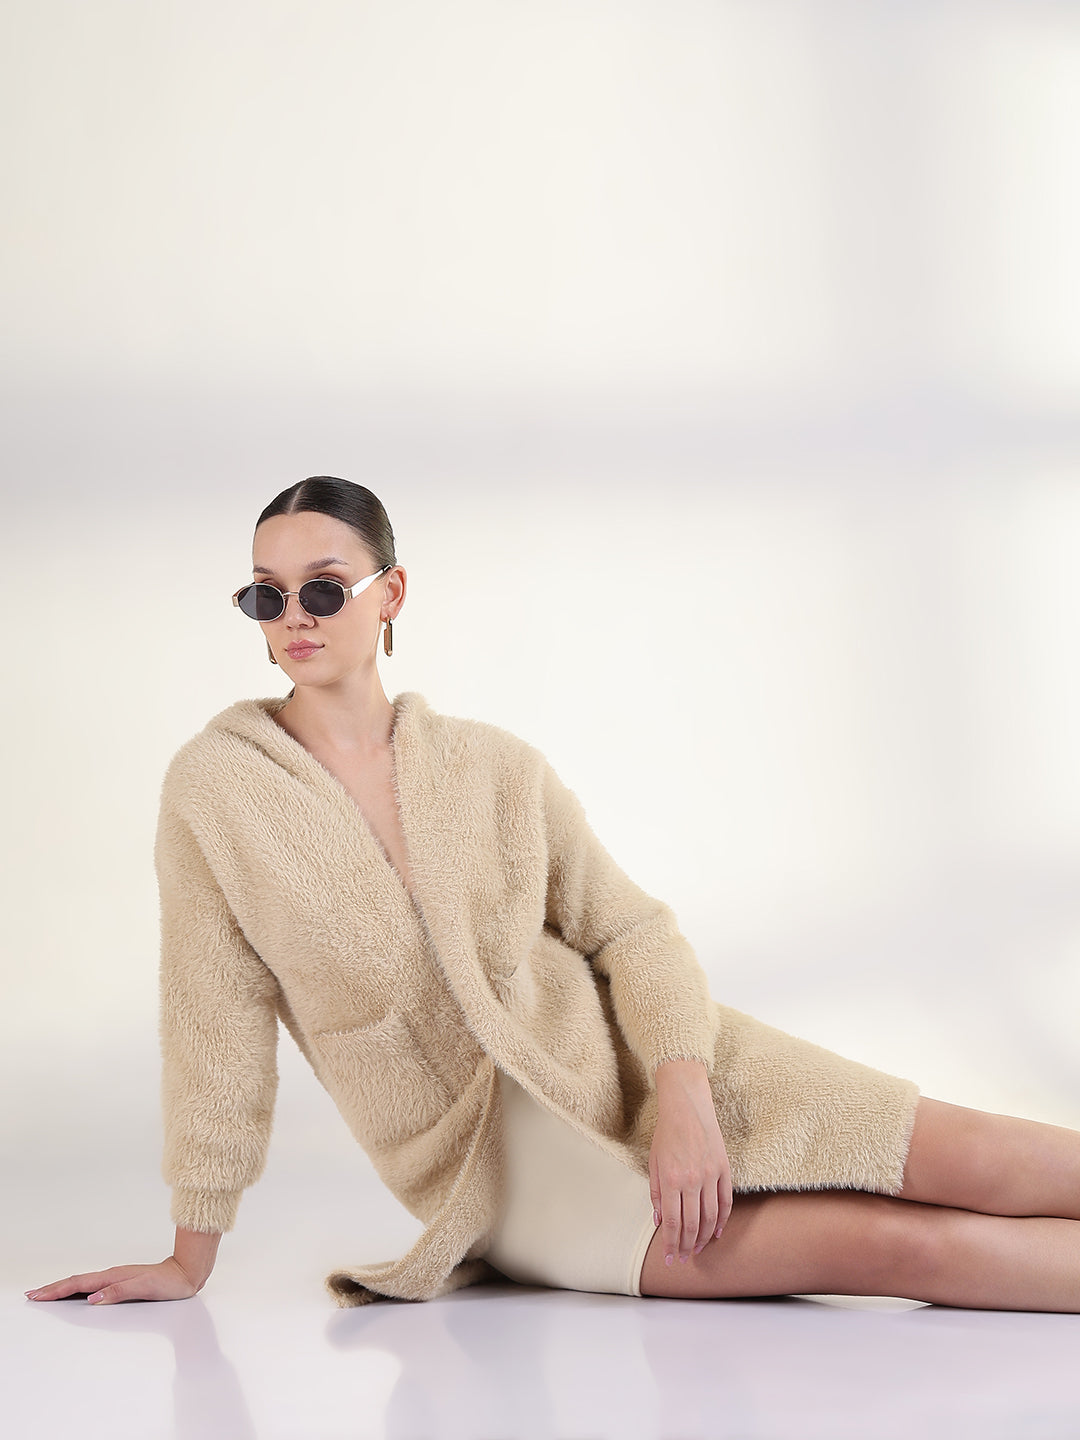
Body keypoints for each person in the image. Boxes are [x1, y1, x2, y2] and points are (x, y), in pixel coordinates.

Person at [26, 478, 1080, 1313]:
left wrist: (684, 1095)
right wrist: (190, 1254)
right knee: (903, 1247)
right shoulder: (217, 790)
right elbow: (212, 1023)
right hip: (505, 1175)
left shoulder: (491, 766)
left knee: (988, 1155)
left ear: (391, 594)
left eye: (324, 588)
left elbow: (630, 931)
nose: (293, 616)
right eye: (266, 594)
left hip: (645, 1062)